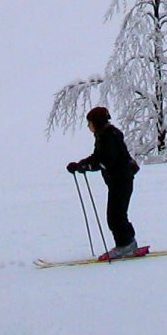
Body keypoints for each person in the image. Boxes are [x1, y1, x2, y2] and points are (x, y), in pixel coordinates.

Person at [67, 105, 140, 258]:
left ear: (97, 122)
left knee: (115, 216)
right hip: (120, 180)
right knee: (117, 214)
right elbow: (98, 157)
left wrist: (84, 166)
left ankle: (125, 245)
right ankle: (129, 243)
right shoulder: (106, 135)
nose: (88, 126)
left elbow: (105, 160)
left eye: (90, 122)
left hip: (120, 180)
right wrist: (81, 165)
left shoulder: (107, 137)